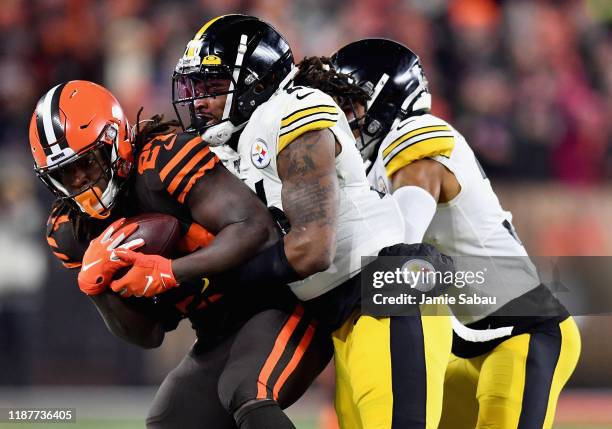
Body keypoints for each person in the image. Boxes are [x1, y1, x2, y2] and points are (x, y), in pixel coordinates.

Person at [171, 14, 454, 429]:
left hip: (385, 291)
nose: (199, 102)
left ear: (256, 81)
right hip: (341, 313)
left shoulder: (292, 112)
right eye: (194, 88)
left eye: (213, 87)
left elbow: (312, 248)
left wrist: (211, 277)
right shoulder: (231, 146)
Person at [297, 38, 581, 429]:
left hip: (523, 332)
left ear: (385, 99)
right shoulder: (369, 162)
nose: (341, 118)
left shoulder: (415, 137)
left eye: (349, 104)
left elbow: (400, 243)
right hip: (461, 345)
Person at [29, 79, 333, 429]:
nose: (81, 181)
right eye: (65, 173)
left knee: (248, 392)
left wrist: (171, 270)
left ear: (116, 141)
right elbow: (149, 335)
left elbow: (255, 228)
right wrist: (96, 288)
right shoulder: (70, 231)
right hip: (215, 329)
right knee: (170, 422)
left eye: (88, 162)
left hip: (277, 301)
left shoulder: (162, 159)